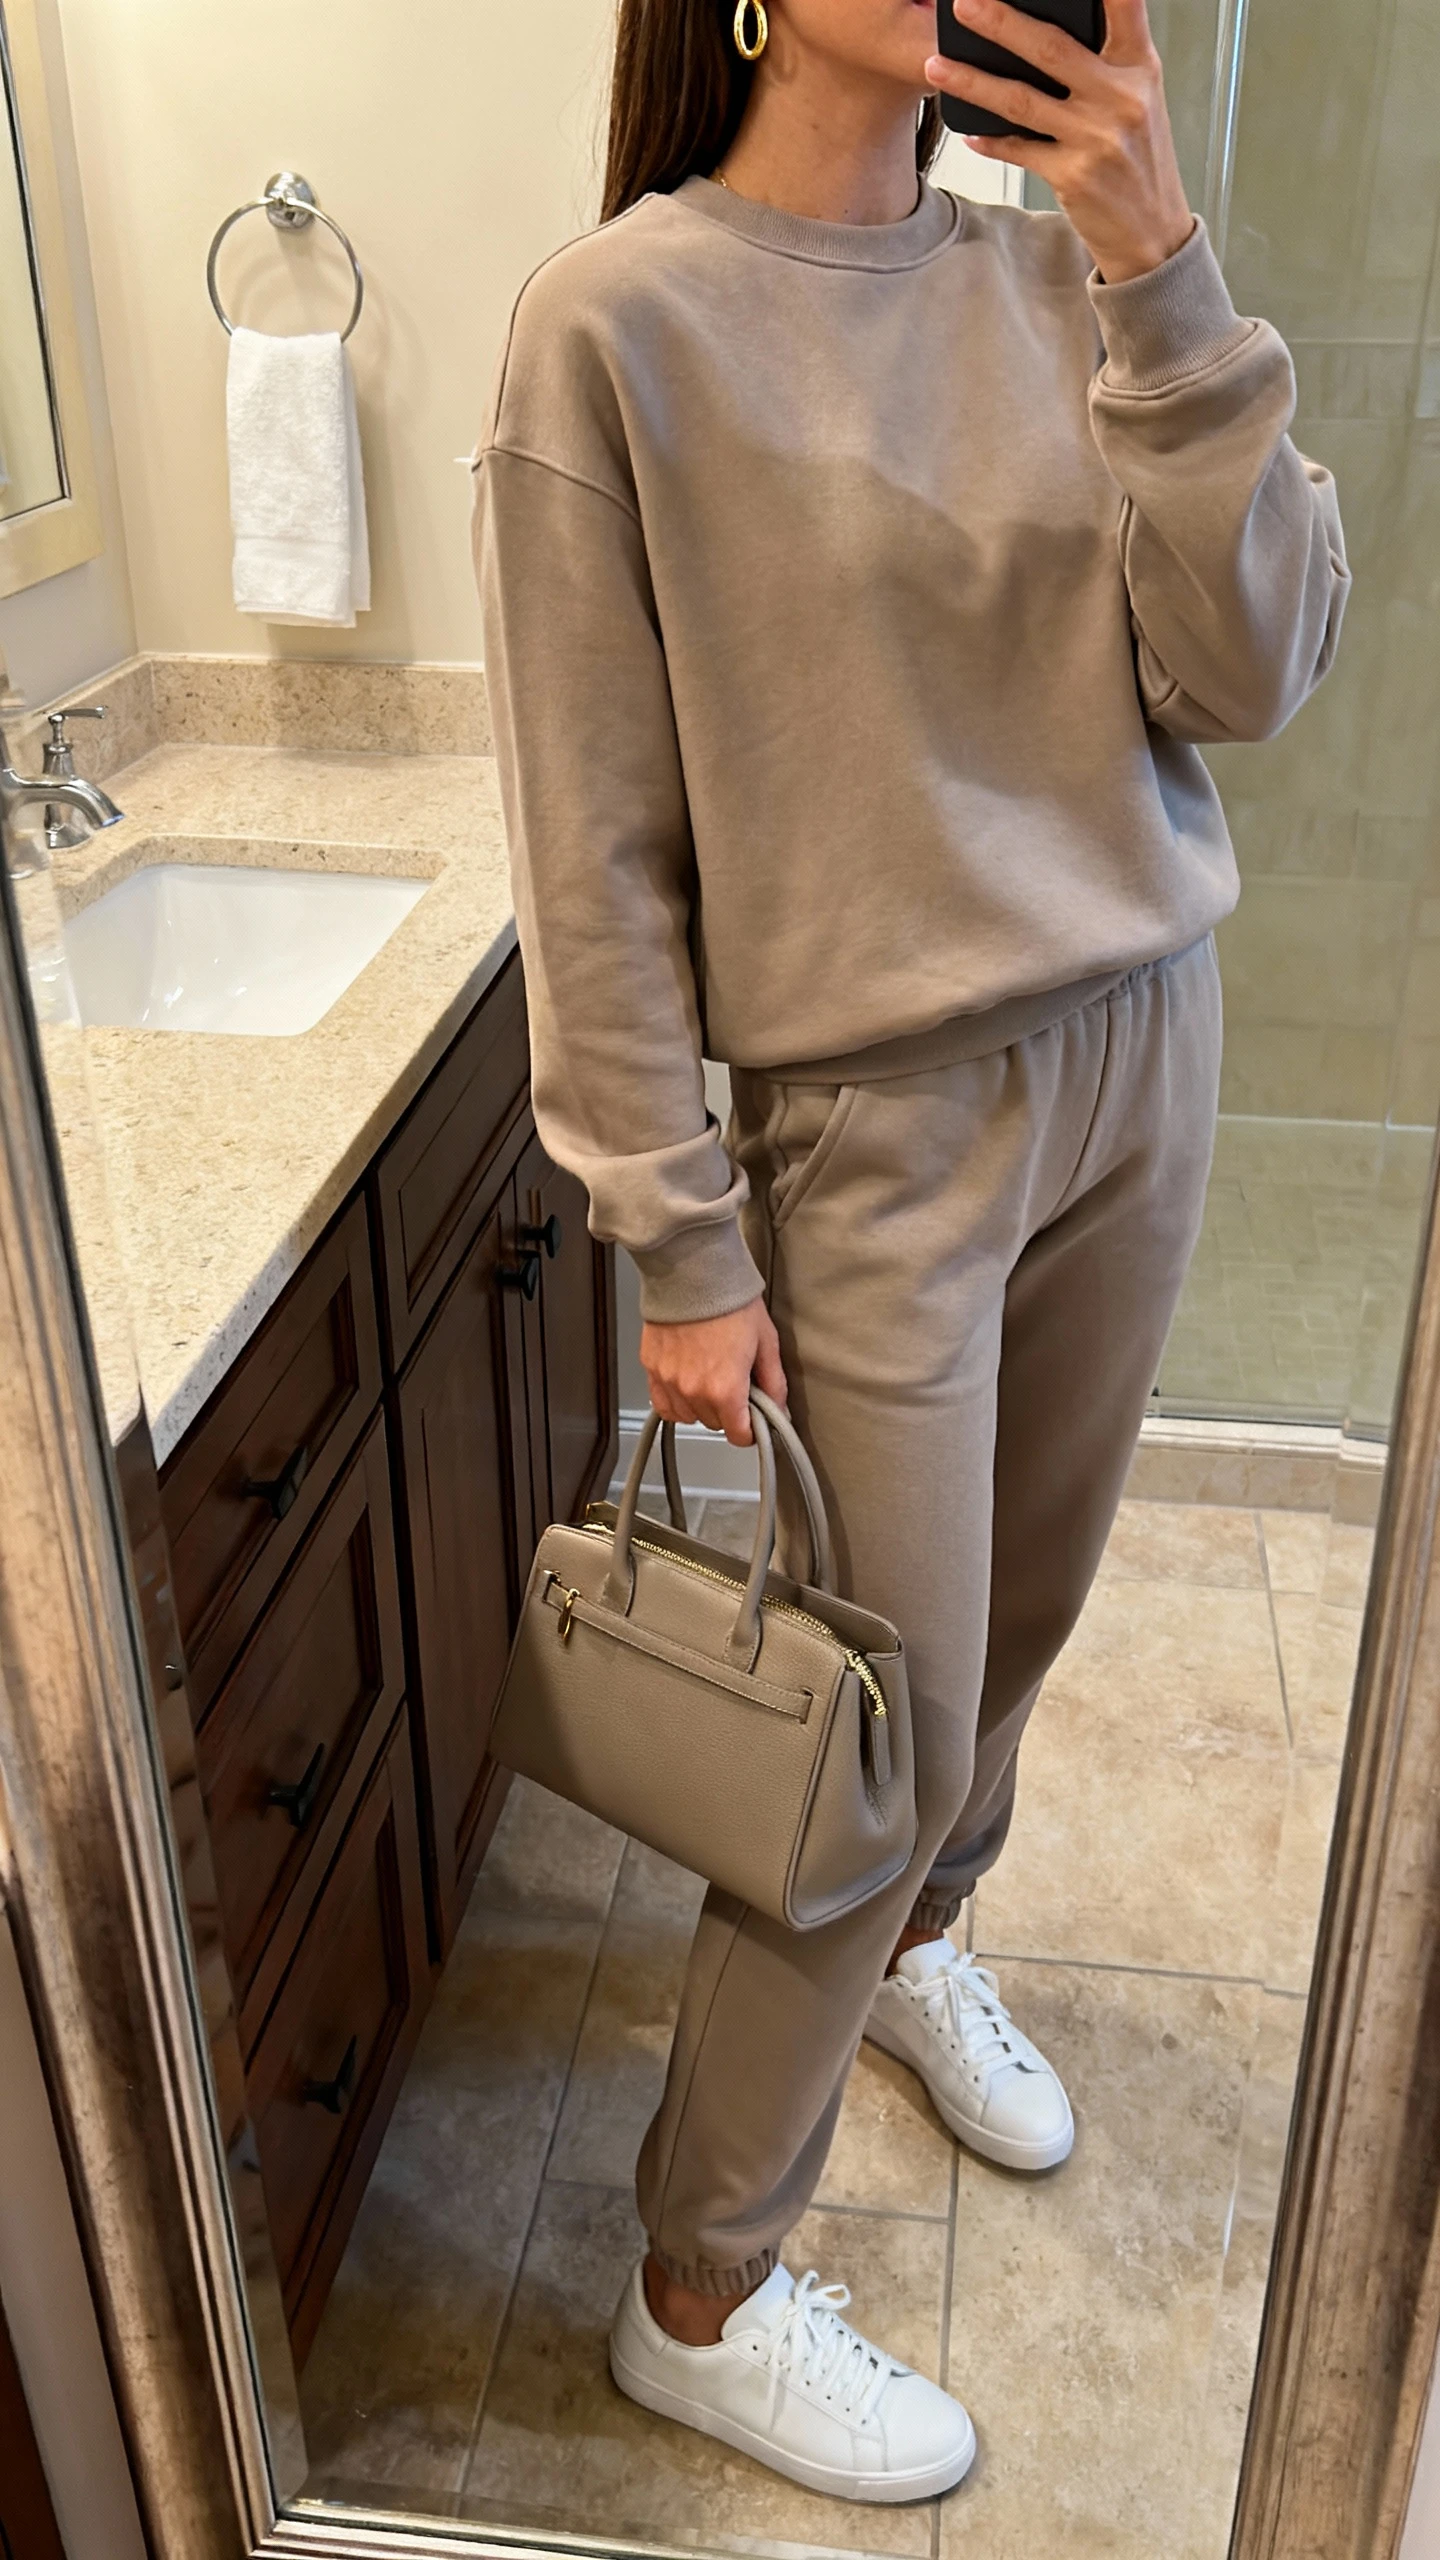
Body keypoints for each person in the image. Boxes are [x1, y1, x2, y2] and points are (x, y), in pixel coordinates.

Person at [474, 0, 1348, 2506]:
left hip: (1142, 1044)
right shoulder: (613, 324)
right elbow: (595, 848)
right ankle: (701, 2282)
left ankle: (931, 1947)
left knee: (1019, 1637)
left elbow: (1257, 666)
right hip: (879, 1136)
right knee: (866, 1731)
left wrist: (1161, 261)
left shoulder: (1060, 278)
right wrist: (676, 1231)